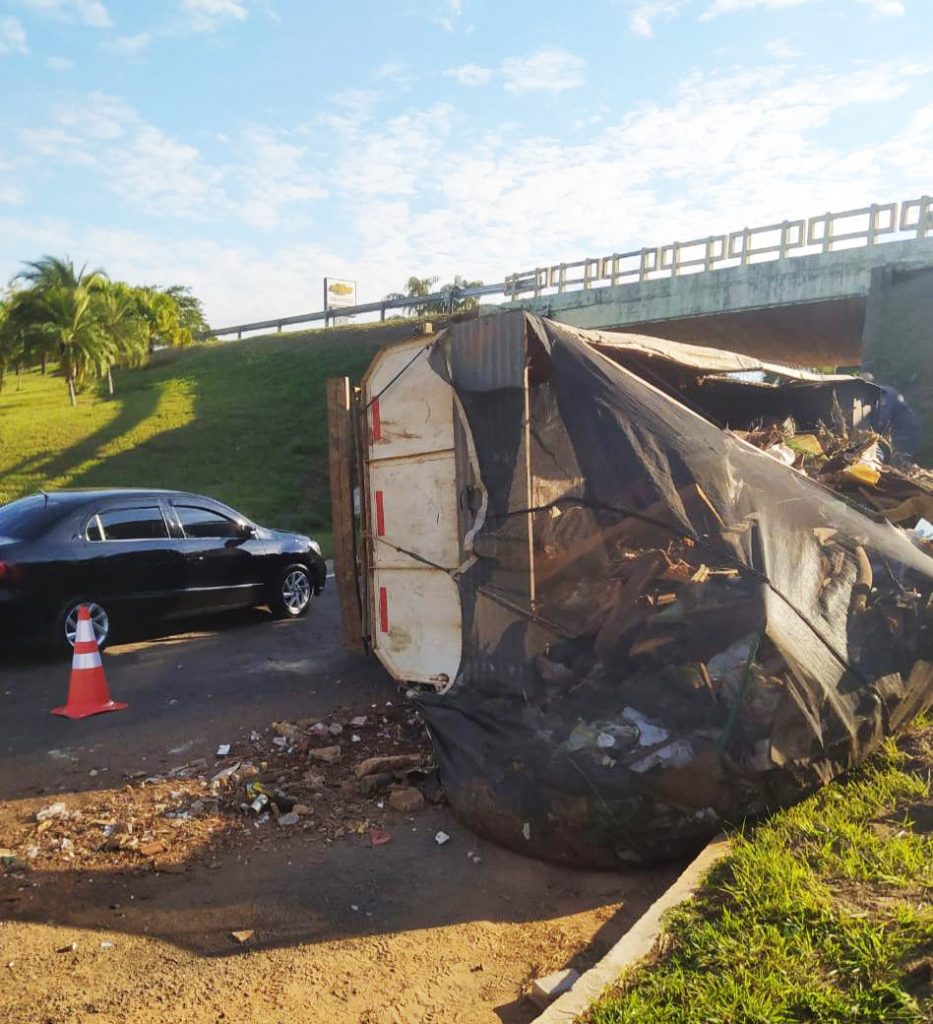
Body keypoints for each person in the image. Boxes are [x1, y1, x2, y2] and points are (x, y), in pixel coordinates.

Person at [861, 372, 922, 460]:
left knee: (899, 462)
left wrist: (866, 435)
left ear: (871, 384)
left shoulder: (883, 394)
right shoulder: (880, 393)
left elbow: (881, 420)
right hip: (907, 433)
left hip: (904, 434)